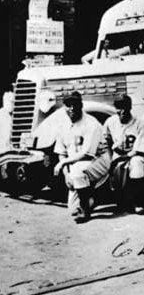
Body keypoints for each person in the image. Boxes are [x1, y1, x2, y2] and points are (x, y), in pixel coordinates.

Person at [53, 91, 105, 223]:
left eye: (75, 104)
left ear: (81, 105)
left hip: (100, 161)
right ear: (64, 107)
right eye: (68, 105)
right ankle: (93, 197)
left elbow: (87, 154)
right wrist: (66, 175)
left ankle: (86, 211)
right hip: (78, 164)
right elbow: (61, 152)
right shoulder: (62, 124)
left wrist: (63, 164)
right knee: (72, 209)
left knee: (77, 172)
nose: (72, 108)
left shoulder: (91, 123)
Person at [102, 94, 144, 214]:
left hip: (134, 155)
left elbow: (140, 149)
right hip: (118, 155)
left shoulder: (140, 123)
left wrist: (122, 158)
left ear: (130, 107)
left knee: (137, 164)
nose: (122, 111)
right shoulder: (110, 122)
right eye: (119, 107)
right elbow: (105, 141)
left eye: (125, 107)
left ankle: (139, 201)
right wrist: (109, 157)